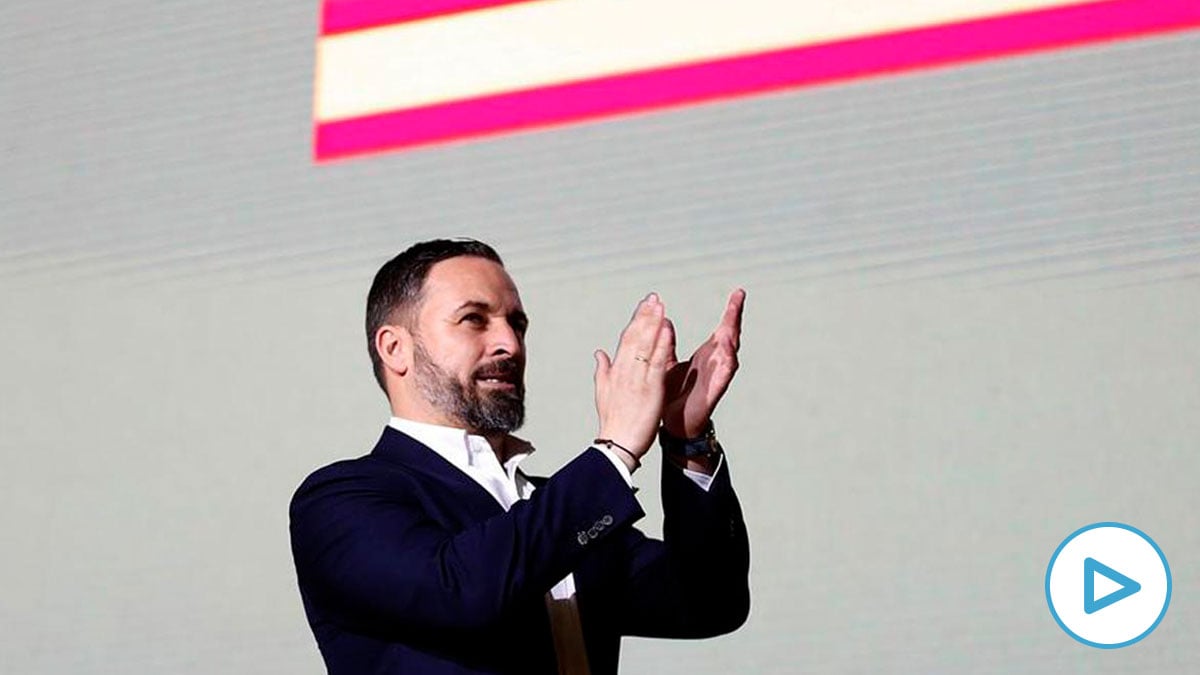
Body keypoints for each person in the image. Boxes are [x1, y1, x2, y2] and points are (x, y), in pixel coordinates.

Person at [289, 239, 750, 675]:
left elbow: (711, 602)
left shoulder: (559, 509)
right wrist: (615, 449)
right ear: (395, 348)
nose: (509, 343)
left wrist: (687, 439)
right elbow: (460, 592)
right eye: (474, 319)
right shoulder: (340, 501)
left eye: (517, 323)